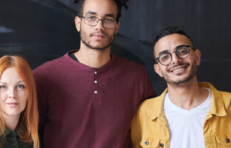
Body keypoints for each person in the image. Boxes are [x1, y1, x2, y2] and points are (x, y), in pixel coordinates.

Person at [33, 0, 155, 147]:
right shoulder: (43, 77)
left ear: (117, 27)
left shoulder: (137, 77)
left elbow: (154, 130)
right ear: (78, 23)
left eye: (108, 20)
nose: (99, 26)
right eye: (91, 18)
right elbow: (26, 136)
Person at [130, 26, 231, 148]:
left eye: (182, 51)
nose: (175, 60)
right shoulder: (144, 113)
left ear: (197, 57)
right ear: (158, 70)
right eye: (164, 57)